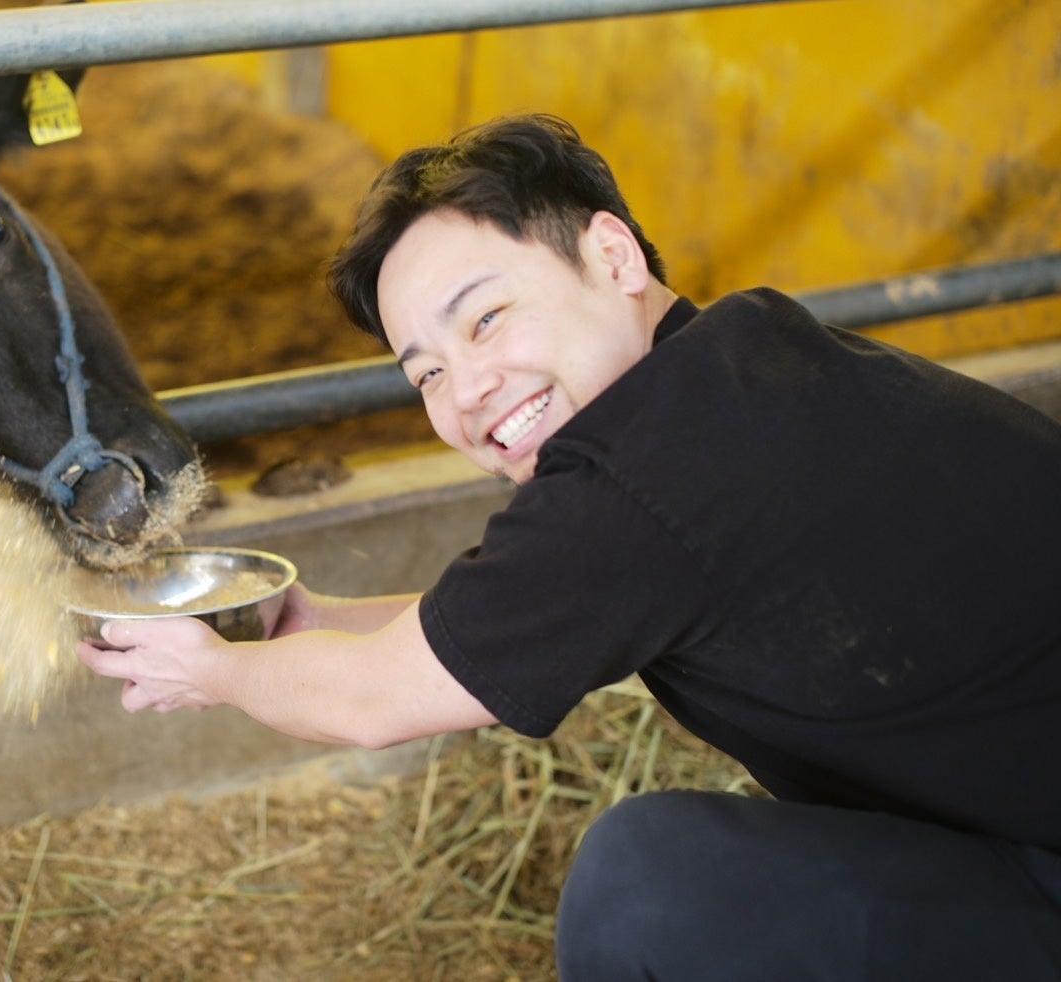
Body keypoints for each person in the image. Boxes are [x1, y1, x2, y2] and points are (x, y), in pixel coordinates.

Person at [77, 113, 1061, 979]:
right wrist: (311, 624)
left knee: (649, 884)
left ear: (613, 257)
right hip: (1008, 817)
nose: (465, 393)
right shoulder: (736, 363)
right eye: (424, 373)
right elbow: (493, 627)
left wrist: (207, 668)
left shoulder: (648, 477)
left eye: (487, 317)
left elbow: (377, 698)